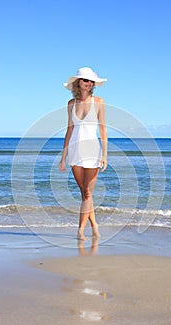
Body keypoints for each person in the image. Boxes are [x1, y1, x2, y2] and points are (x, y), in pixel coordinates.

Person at [59, 67, 108, 241]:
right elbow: (69, 129)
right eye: (85, 80)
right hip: (75, 151)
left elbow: (103, 129)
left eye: (90, 81)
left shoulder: (99, 102)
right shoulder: (71, 104)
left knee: (87, 192)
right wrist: (63, 156)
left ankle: (80, 230)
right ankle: (94, 226)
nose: (88, 84)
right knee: (84, 193)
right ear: (78, 82)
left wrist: (105, 155)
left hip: (92, 151)